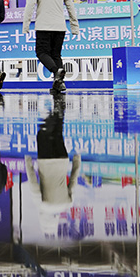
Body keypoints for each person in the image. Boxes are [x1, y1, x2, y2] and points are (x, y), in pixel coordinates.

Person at [25, 92, 81, 235]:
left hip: (62, 160)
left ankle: (59, 102)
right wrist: (28, 162)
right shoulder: (42, 205)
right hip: (46, 161)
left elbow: (73, 180)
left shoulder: (67, 204)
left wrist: (77, 160)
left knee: (58, 132)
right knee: (43, 134)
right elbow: (33, 183)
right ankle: (53, 110)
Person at [22, 0, 80, 93]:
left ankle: (56, 72)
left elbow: (30, 5)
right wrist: (74, 27)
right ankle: (60, 84)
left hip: (44, 25)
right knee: (56, 55)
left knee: (41, 52)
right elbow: (70, 7)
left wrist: (26, 25)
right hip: (60, 27)